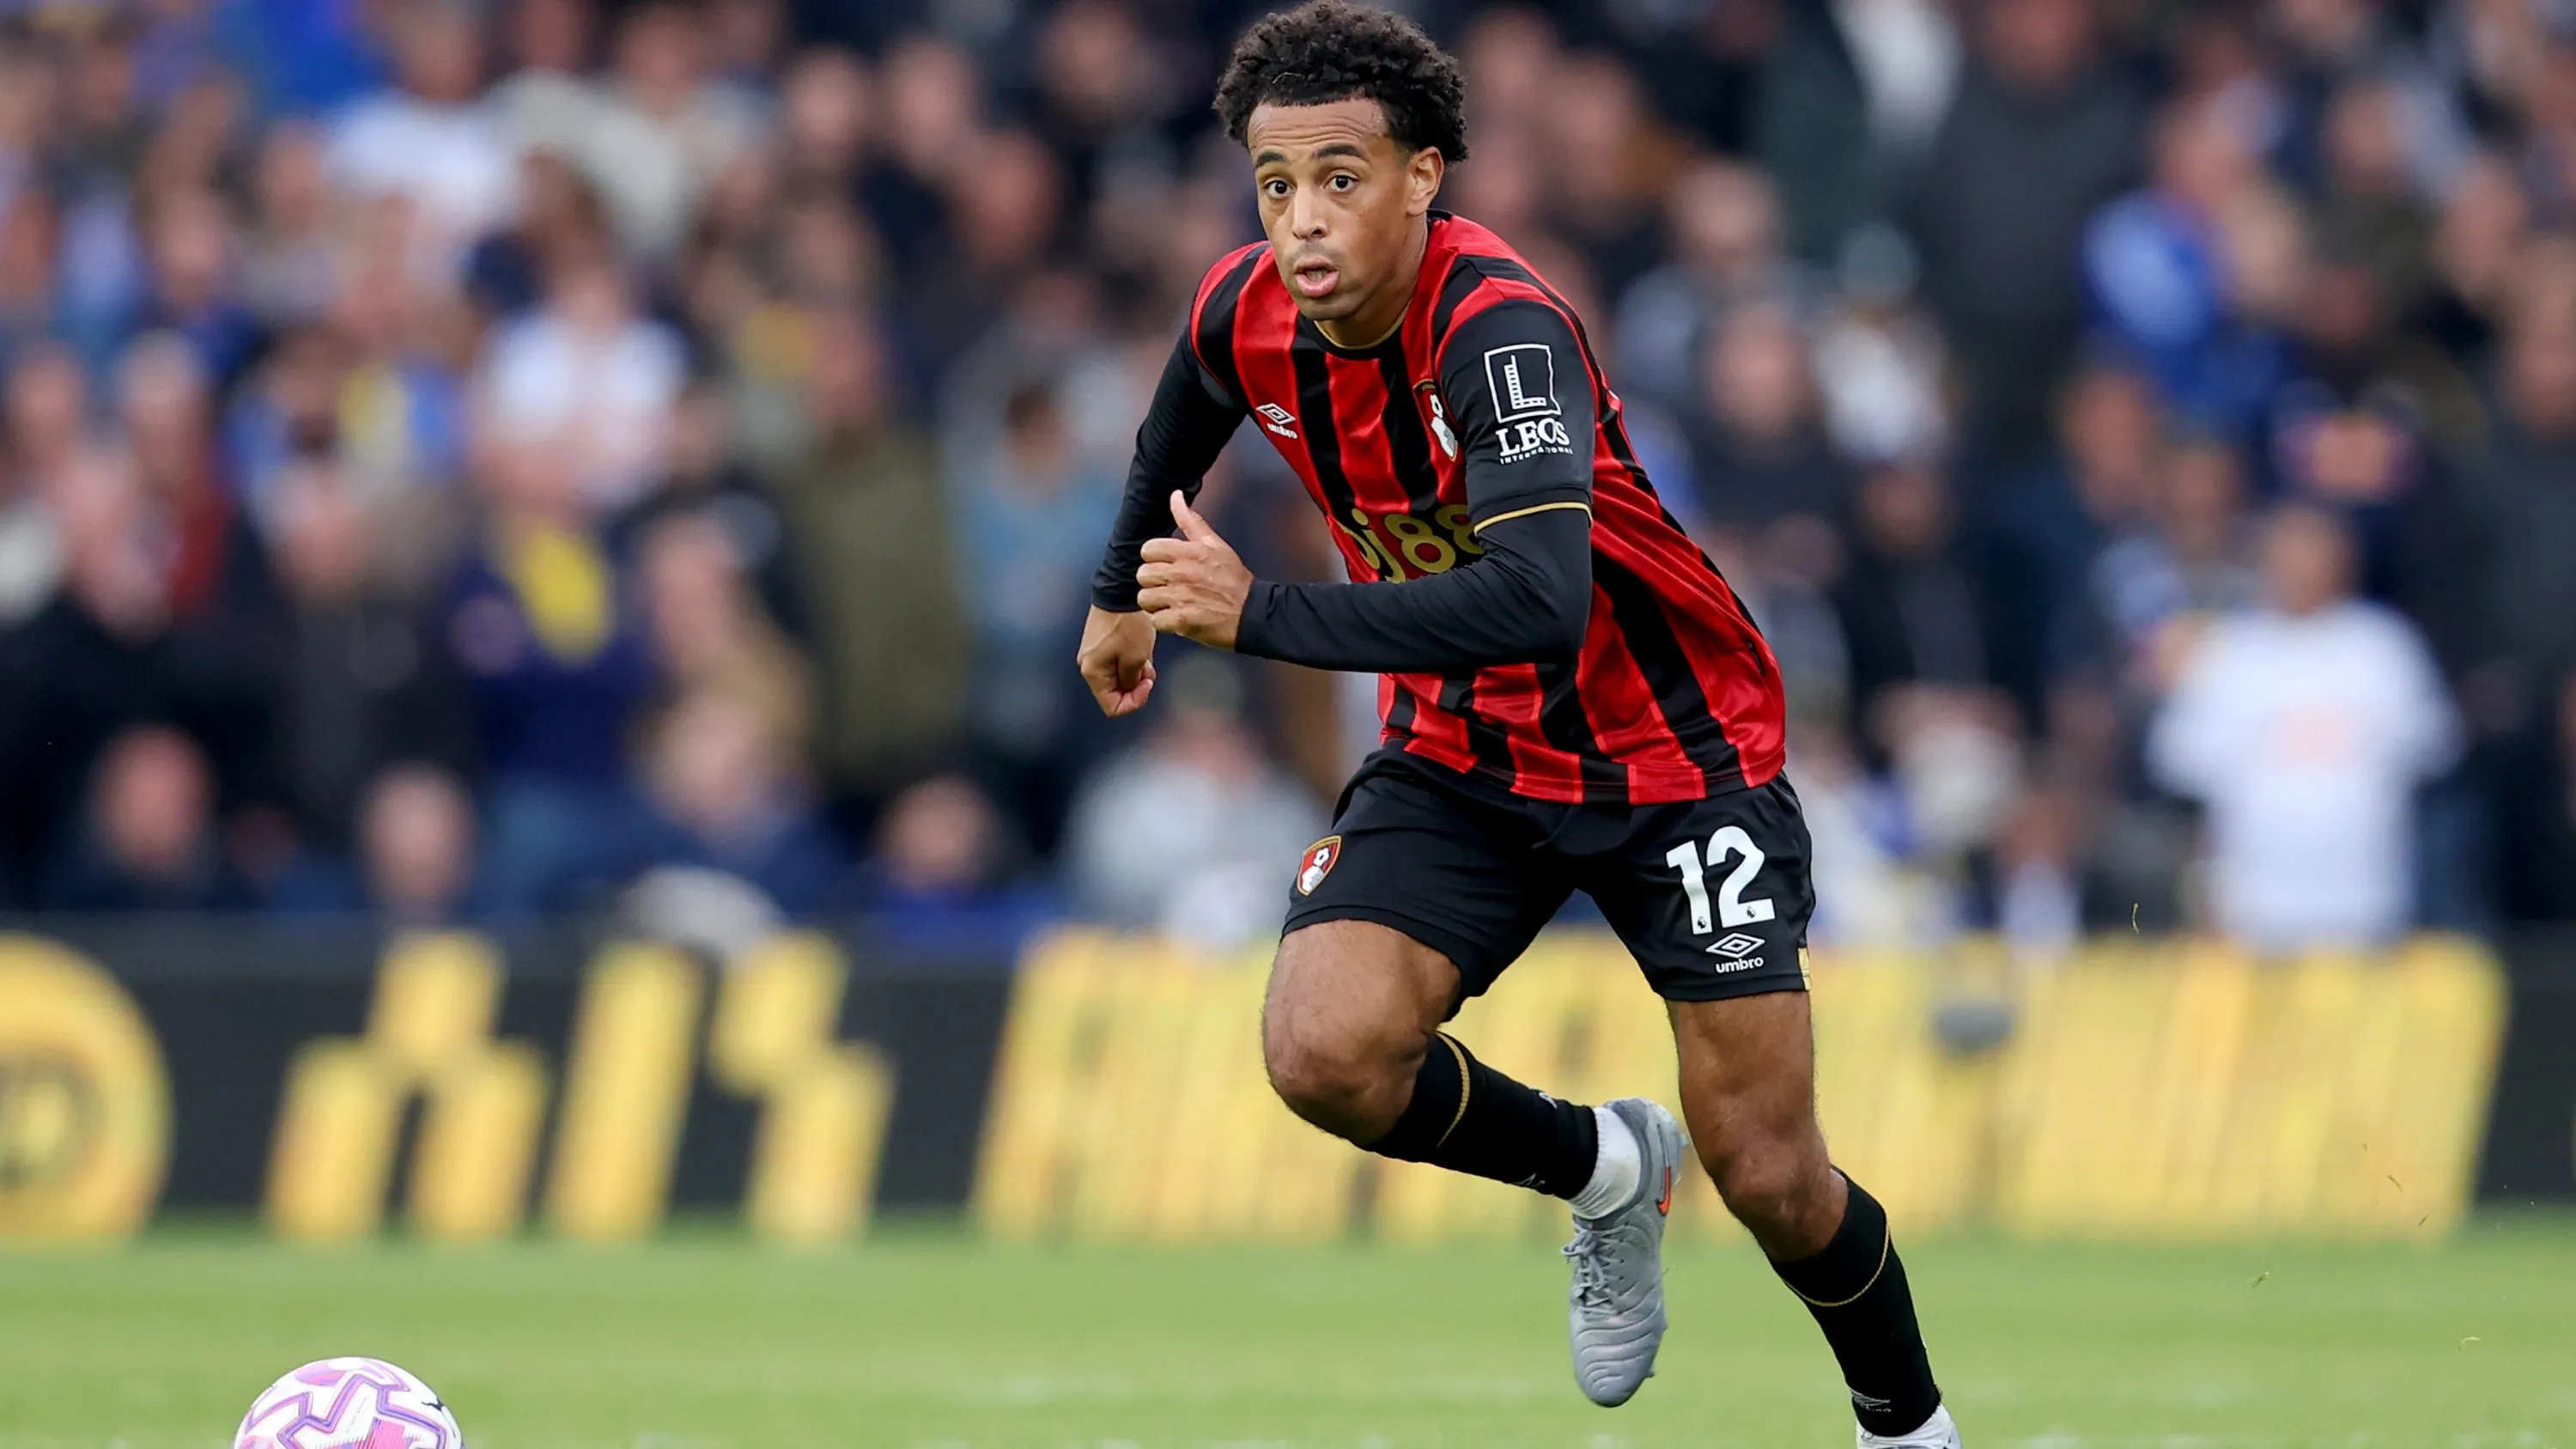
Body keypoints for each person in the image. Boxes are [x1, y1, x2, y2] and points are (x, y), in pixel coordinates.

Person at [1074, 7, 1955, 1444]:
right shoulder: (1248, 305)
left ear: (1425, 175)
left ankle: (1907, 1425)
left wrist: (1263, 615)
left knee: (1771, 1166)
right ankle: (1606, 1169)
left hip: (1672, 755)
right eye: (1276, 184)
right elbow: (1182, 406)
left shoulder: (1501, 334)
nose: (1303, 220)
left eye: (1342, 177)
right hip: (1467, 750)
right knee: (1324, 1047)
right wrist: (1117, 591)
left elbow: (1538, 602)